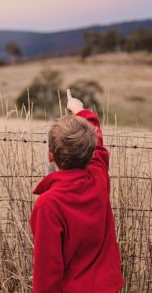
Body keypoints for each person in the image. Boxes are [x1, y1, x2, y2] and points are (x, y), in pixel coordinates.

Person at [30, 89, 123, 292]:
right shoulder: (98, 179)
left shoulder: (48, 205)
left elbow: (47, 272)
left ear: (50, 155)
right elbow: (97, 145)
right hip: (107, 287)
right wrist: (80, 110)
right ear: (90, 155)